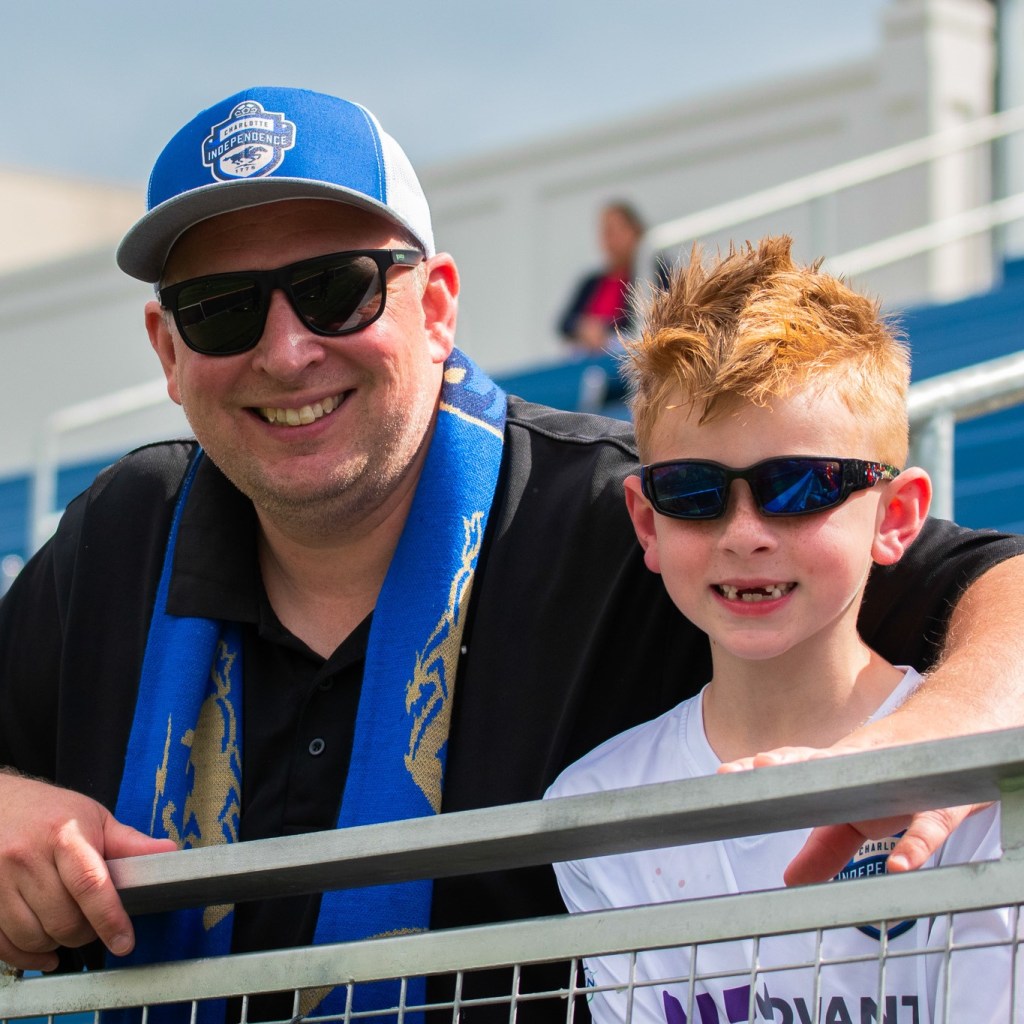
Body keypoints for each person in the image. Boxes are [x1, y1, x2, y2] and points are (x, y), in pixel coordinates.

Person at [0, 87, 1023, 1021]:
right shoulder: (119, 536)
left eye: (337, 289)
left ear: (438, 307)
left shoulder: (656, 512)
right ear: (167, 350)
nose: (287, 350)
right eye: (220, 310)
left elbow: (997, 588)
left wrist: (928, 740)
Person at [545, 237, 1017, 1022]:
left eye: (800, 487)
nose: (745, 533)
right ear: (646, 521)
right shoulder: (596, 807)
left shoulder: (982, 780)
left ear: (895, 517)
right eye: (693, 492)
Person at [558, 200, 645, 353]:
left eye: (617, 231)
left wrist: (604, 330)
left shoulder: (651, 273)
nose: (612, 240)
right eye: (606, 232)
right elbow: (564, 323)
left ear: (635, 232)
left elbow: (642, 322)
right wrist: (583, 328)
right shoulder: (591, 282)